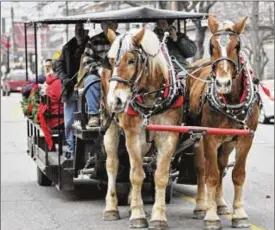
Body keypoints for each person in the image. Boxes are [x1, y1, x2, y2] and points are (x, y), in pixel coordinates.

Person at [55, 23, 89, 159]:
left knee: (84, 123)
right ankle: (71, 148)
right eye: (77, 30)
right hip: (70, 90)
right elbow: (59, 66)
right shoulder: (67, 47)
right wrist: (65, 79)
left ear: (87, 31)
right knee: (69, 121)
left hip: (85, 90)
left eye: (82, 30)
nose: (80, 32)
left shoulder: (91, 46)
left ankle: (83, 150)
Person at [82, 21, 118, 127]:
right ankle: (94, 115)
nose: (109, 27)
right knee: (90, 81)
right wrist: (99, 70)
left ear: (116, 25)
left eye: (111, 24)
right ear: (102, 26)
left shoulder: (122, 40)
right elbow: (87, 61)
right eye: (106, 24)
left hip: (119, 74)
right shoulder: (94, 41)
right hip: (100, 73)